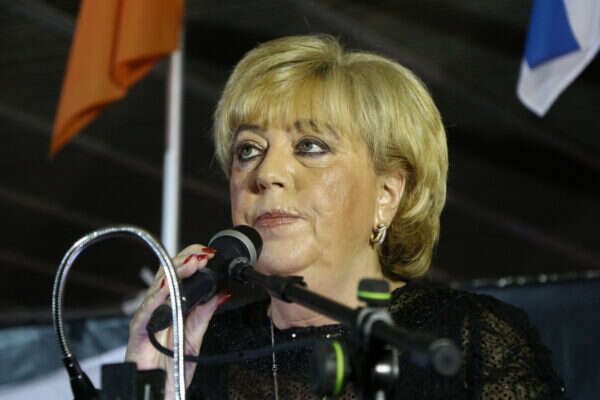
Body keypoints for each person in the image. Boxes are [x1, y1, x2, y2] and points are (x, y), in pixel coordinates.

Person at [126, 35, 565, 399]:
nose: (266, 173)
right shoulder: (202, 352)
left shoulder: (464, 341)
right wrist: (151, 386)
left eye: (310, 146)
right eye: (248, 150)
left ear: (386, 195)